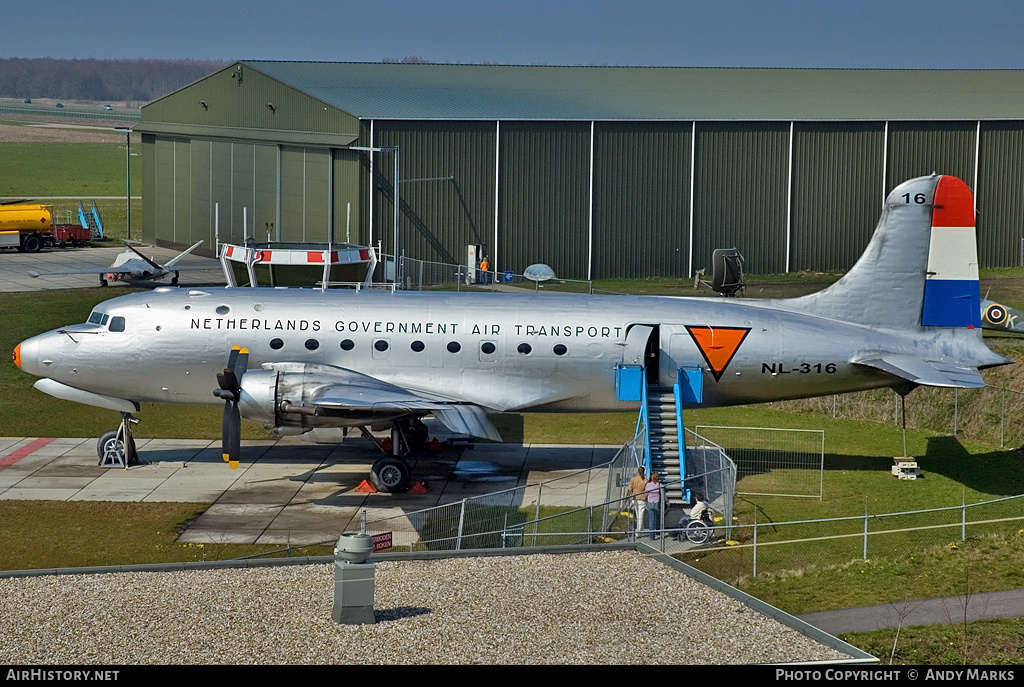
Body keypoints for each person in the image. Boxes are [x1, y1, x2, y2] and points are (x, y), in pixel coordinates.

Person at [626, 466, 648, 534]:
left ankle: (640, 529)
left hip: (634, 497)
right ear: (644, 472)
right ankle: (638, 531)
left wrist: (628, 495)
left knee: (638, 514)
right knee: (641, 516)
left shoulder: (634, 479)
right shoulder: (645, 480)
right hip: (642, 498)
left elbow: (630, 488)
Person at [643, 472, 664, 540]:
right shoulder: (659, 485)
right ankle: (658, 530)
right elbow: (663, 494)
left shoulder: (648, 485)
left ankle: (652, 536)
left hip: (650, 502)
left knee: (651, 520)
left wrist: (646, 498)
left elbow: (646, 494)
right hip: (657, 503)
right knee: (658, 517)